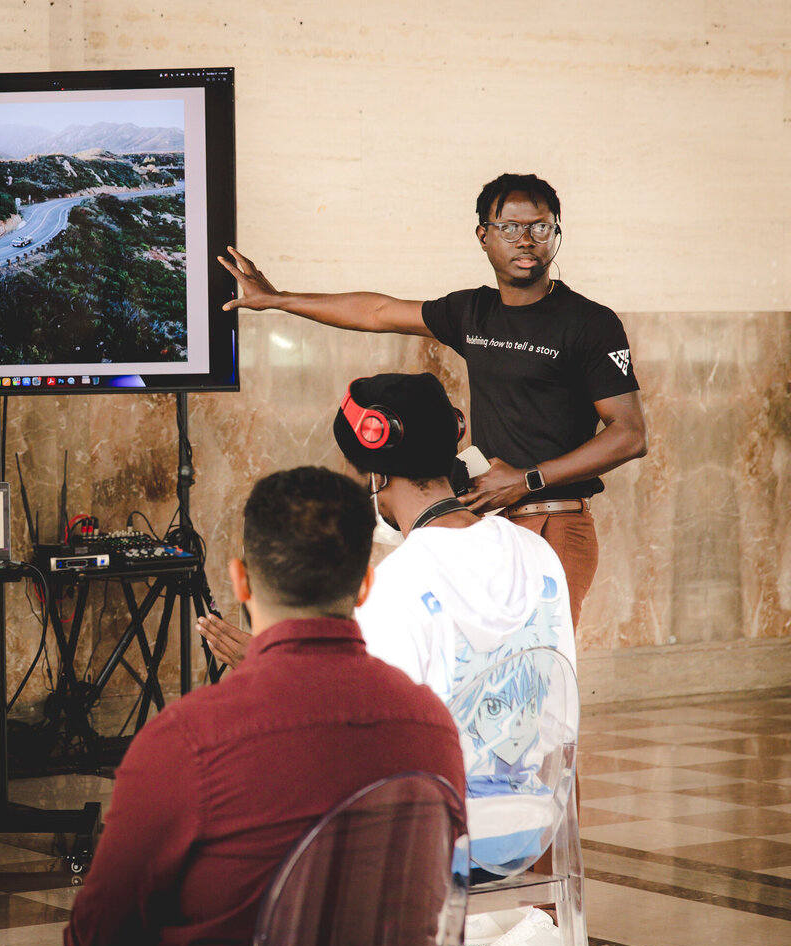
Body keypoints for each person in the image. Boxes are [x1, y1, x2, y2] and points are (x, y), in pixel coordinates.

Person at [8, 467, 465, 946]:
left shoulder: (187, 738)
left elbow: (96, 943)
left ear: (241, 579)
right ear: (364, 584)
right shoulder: (432, 725)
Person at [199, 373, 581, 946]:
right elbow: (560, 715)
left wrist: (271, 663)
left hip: (433, 840)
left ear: (374, 474)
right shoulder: (537, 553)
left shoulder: (403, 582)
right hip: (532, 821)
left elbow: (366, 731)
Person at [217, 172, 648, 629]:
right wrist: (280, 299)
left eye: (540, 227)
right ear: (484, 236)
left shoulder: (590, 323)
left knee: (531, 668)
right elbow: (377, 312)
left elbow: (629, 434)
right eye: (510, 228)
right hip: (488, 523)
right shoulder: (473, 312)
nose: (526, 240)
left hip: (554, 523)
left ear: (555, 233)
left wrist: (529, 480)